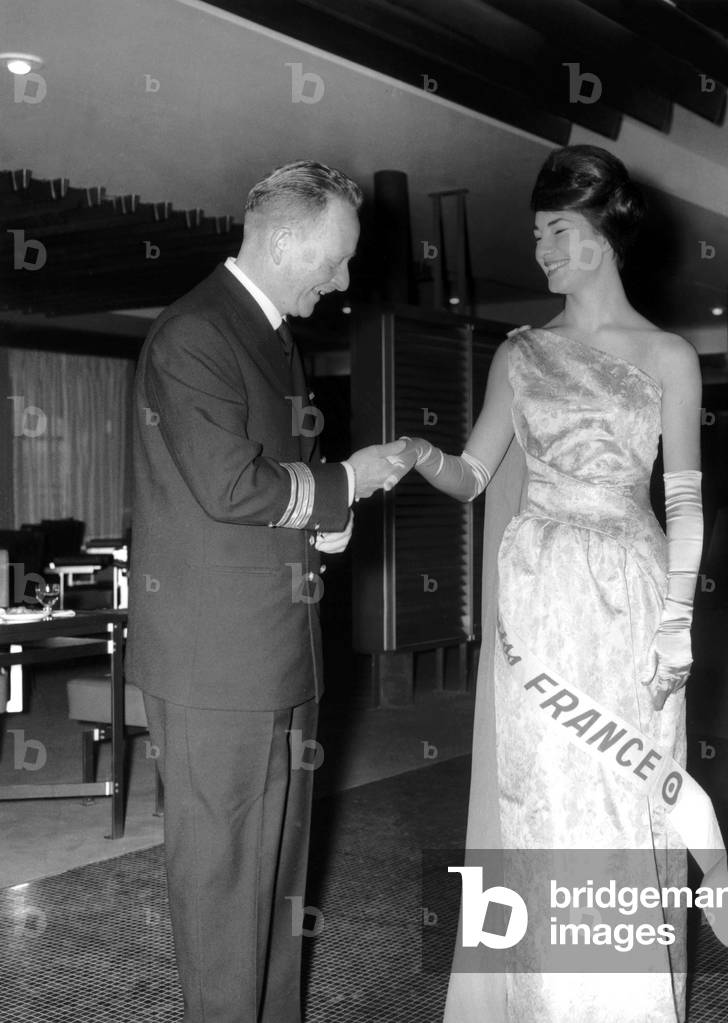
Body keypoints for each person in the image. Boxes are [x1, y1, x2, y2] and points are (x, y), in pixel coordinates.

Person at [399, 145, 728, 1022]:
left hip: (630, 592)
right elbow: (475, 476)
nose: (543, 249)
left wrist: (679, 622)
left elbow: (688, 505)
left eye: (557, 230)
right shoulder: (519, 356)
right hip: (540, 591)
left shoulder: (668, 356)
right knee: (546, 797)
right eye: (538, 233)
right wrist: (416, 454)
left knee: (625, 800)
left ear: (601, 235)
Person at [126, 160, 415, 1023]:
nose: (345, 278)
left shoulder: (269, 335)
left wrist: (326, 521)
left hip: (277, 651)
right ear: (288, 243)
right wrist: (346, 485)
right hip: (218, 666)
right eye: (337, 257)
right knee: (223, 886)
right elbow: (228, 485)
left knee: (280, 883)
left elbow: (268, 488)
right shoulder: (195, 334)